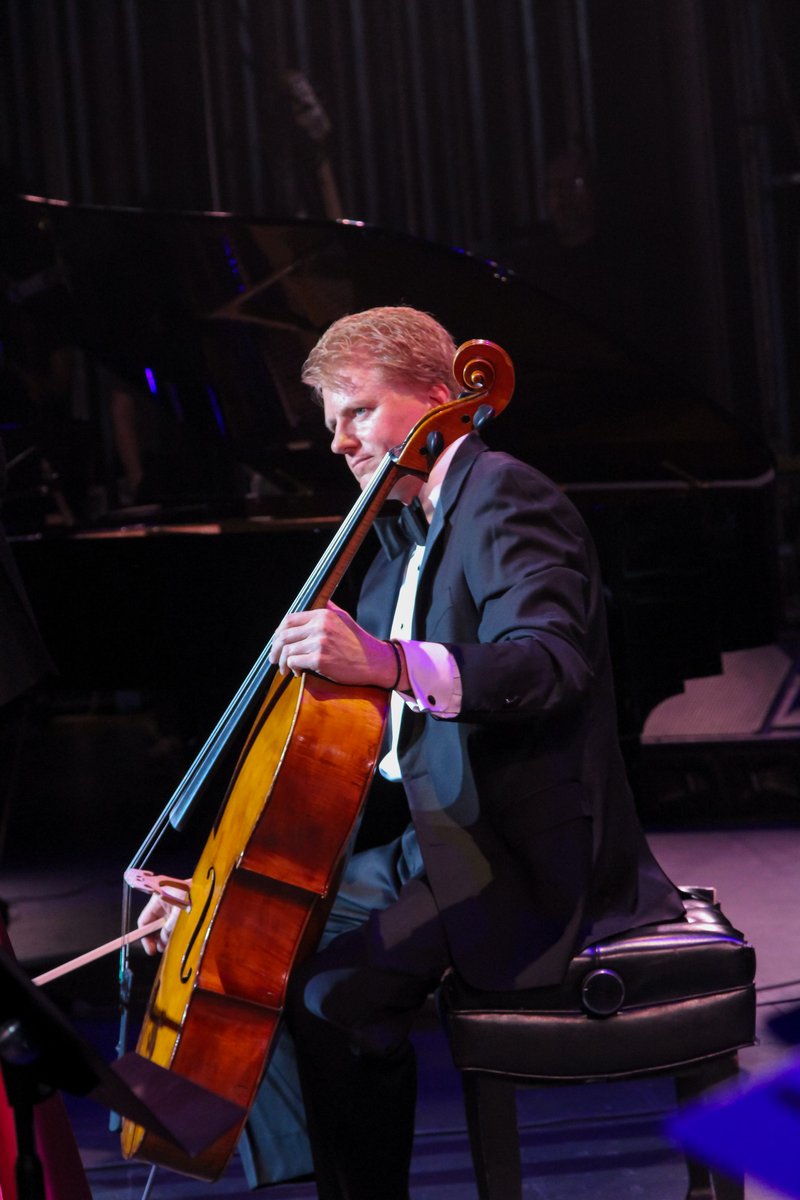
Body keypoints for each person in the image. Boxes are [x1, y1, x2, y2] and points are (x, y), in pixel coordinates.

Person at [141, 306, 684, 1198]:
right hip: (437, 838)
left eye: (356, 411)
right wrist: (215, 892)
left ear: (439, 397)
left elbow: (552, 665)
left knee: (332, 1002)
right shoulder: (395, 536)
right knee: (241, 943)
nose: (340, 443)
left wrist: (386, 661)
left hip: (513, 851)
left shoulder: (506, 494)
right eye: (332, 424)